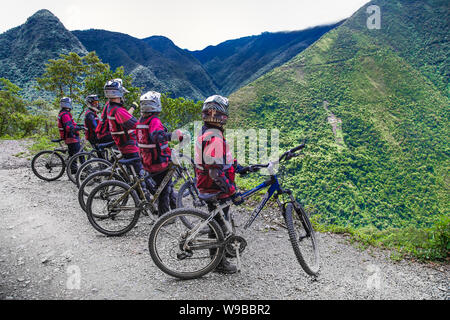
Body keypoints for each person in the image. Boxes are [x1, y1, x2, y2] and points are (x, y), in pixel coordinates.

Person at [194, 95, 251, 274]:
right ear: (222, 115)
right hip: (215, 187)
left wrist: (238, 167)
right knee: (218, 224)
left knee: (220, 221)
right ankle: (218, 264)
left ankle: (223, 250)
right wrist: (233, 192)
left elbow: (220, 160)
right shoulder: (215, 138)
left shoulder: (208, 133)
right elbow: (215, 172)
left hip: (207, 184)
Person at [103, 79, 154, 196]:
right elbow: (136, 125)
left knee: (137, 174)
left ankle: (143, 196)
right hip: (129, 146)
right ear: (118, 94)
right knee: (141, 174)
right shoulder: (119, 110)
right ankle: (145, 198)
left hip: (122, 145)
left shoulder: (110, 107)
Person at [136, 91, 180, 217]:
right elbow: (157, 136)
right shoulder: (154, 120)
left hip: (147, 161)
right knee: (164, 189)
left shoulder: (141, 121)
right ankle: (165, 217)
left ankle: (174, 209)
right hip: (158, 161)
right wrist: (174, 135)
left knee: (165, 185)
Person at [57, 97, 83, 174]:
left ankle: (75, 171)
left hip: (69, 137)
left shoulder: (63, 113)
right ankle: (79, 171)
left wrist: (80, 126)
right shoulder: (65, 115)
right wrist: (79, 128)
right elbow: (69, 127)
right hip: (71, 137)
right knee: (79, 154)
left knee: (74, 153)